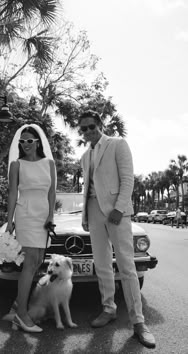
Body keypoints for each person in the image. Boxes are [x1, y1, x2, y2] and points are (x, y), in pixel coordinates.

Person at [78, 110, 155, 349]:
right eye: (84, 128)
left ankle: (139, 323)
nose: (89, 131)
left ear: (100, 124)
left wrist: (119, 209)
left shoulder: (118, 144)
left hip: (116, 213)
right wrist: (85, 215)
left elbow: (127, 179)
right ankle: (108, 308)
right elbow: (89, 188)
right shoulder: (84, 156)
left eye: (92, 126)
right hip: (93, 212)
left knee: (126, 266)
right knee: (101, 265)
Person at [6, 124, 56, 333]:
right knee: (29, 262)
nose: (26, 144)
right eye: (22, 141)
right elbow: (11, 193)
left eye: (29, 140)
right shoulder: (17, 165)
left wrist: (51, 215)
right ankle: (22, 315)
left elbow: (52, 191)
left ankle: (18, 304)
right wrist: (9, 221)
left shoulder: (49, 163)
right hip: (25, 213)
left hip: (43, 215)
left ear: (37, 142)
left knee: (37, 261)